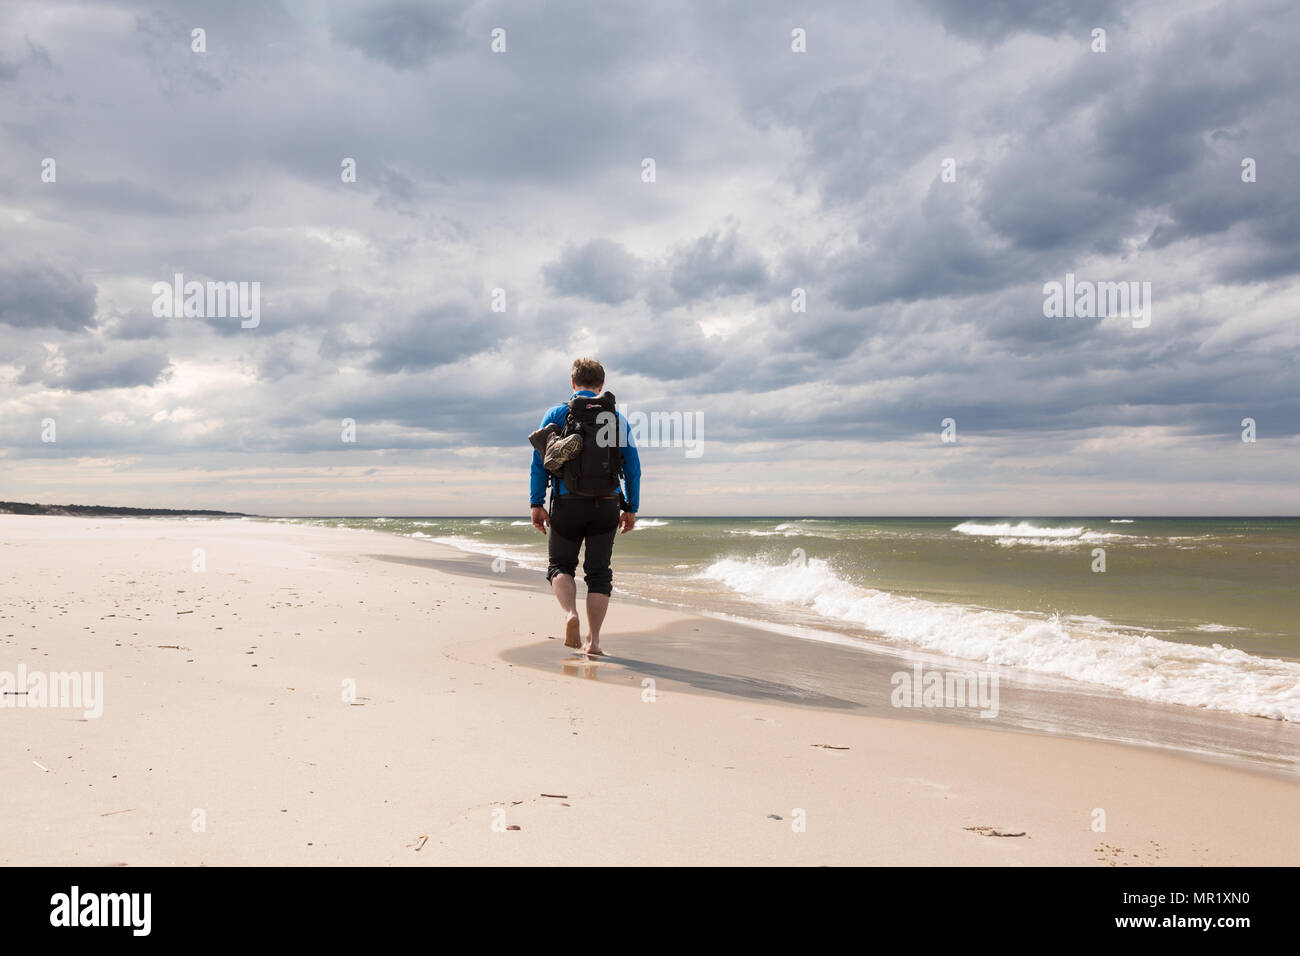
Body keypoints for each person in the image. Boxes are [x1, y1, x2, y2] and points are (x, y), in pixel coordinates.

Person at [530, 357, 640, 655]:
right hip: (606, 504)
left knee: (560, 566)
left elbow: (540, 461)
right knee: (599, 574)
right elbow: (632, 468)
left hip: (567, 501)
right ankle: (594, 641)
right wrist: (631, 508)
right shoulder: (617, 419)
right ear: (602, 385)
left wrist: (536, 502)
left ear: (572, 382)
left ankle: (570, 614)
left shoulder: (557, 413)